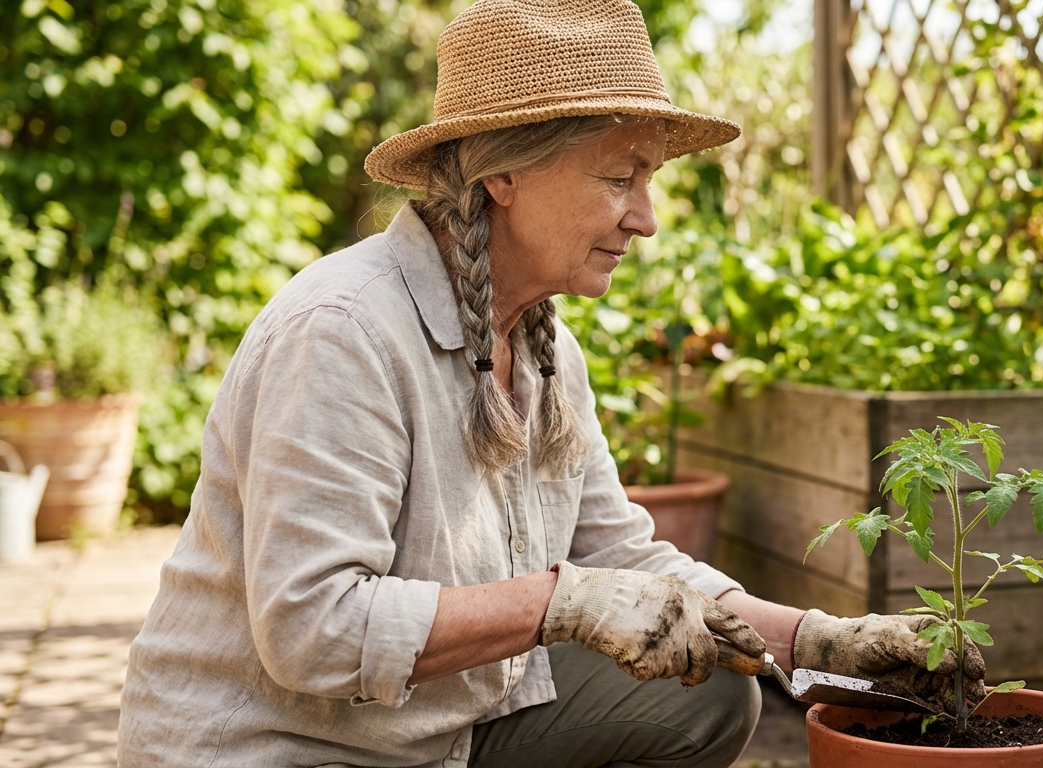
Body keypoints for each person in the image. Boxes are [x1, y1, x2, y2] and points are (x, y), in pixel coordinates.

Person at [116, 1, 985, 765]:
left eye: (647, 180)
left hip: (427, 737)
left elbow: (620, 554)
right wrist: (556, 605)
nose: (644, 217)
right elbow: (312, 630)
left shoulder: (543, 348)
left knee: (711, 699)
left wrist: (816, 640)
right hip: (282, 749)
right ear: (504, 174)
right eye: (620, 177)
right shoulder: (344, 332)